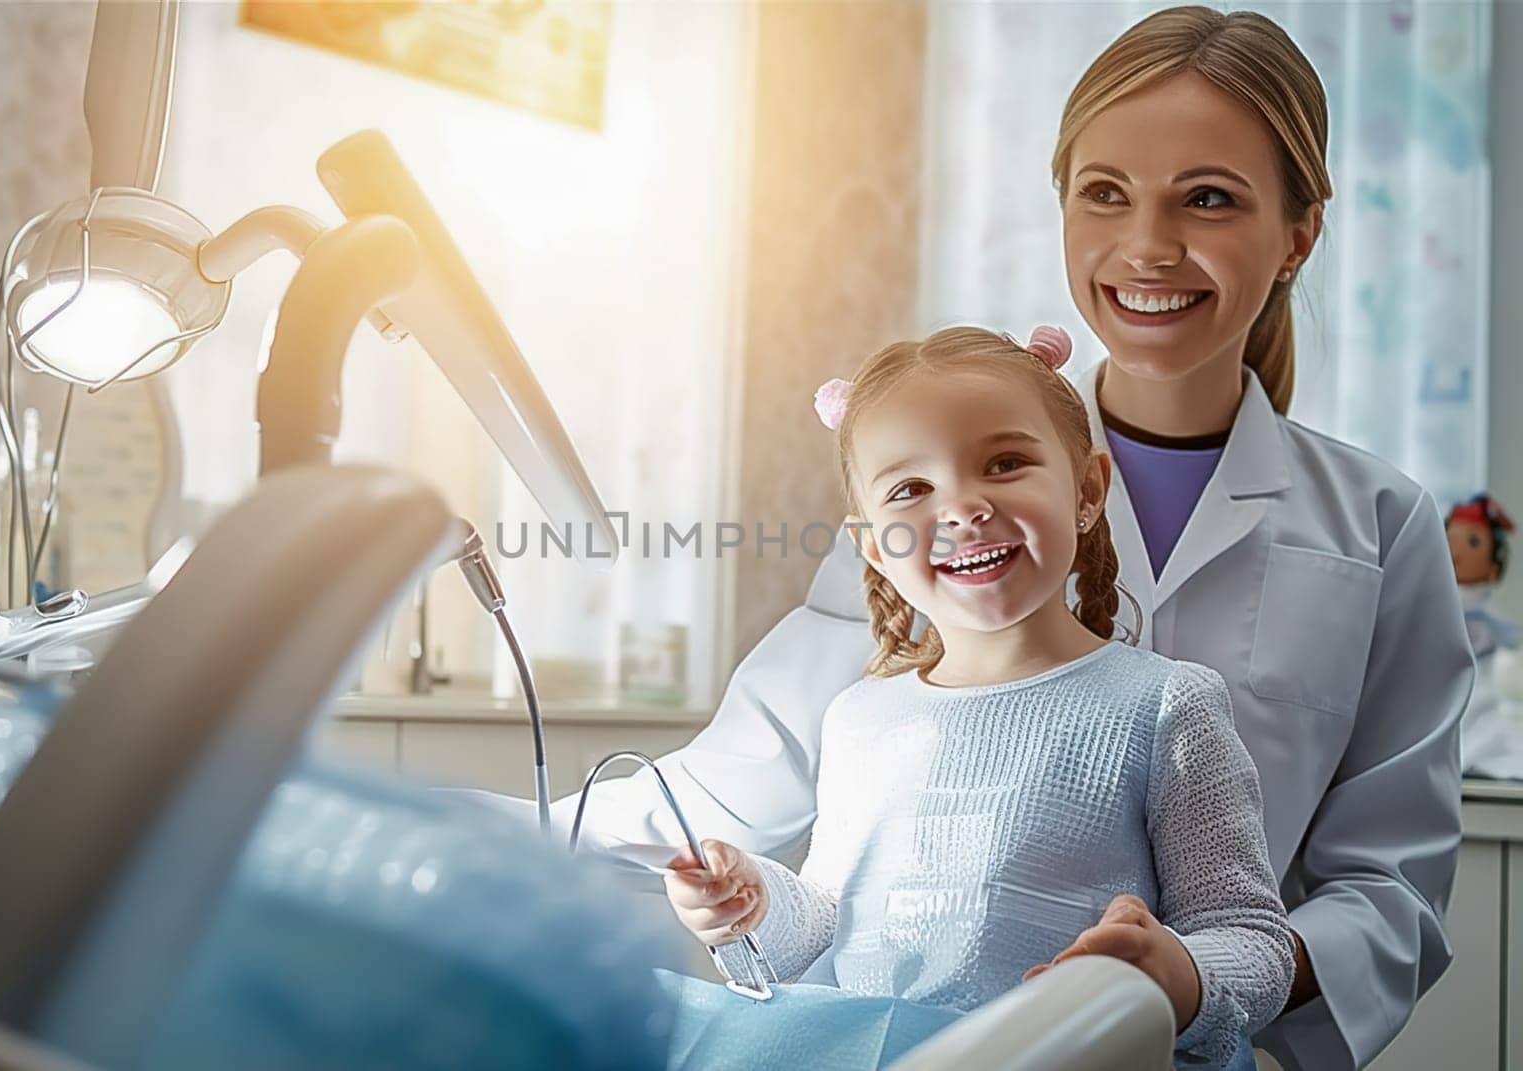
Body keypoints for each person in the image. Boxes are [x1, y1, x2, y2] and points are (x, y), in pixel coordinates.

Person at [568, 9, 1473, 1067]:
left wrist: (1184, 981)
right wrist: (479, 833)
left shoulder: (1378, 527)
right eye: (1104, 194)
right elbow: (754, 794)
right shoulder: (922, 507)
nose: (1146, 245)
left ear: (1297, 234)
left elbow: (1388, 891)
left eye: (1210, 199)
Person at [663, 325, 1290, 1070]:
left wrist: (1177, 977)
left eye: (1005, 463)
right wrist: (754, 900)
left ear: (1088, 489)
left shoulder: (1162, 705)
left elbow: (1251, 936)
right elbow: (837, 918)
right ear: (873, 544)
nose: (962, 507)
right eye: (912, 489)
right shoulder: (860, 716)